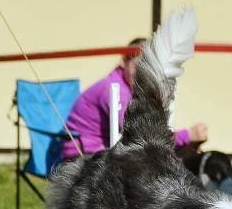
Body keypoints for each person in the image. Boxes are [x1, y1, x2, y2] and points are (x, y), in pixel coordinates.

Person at [61, 38, 208, 160]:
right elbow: (140, 132)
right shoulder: (113, 90)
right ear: (124, 61)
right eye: (137, 67)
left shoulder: (129, 88)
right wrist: (188, 136)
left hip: (103, 149)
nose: (142, 75)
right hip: (81, 154)